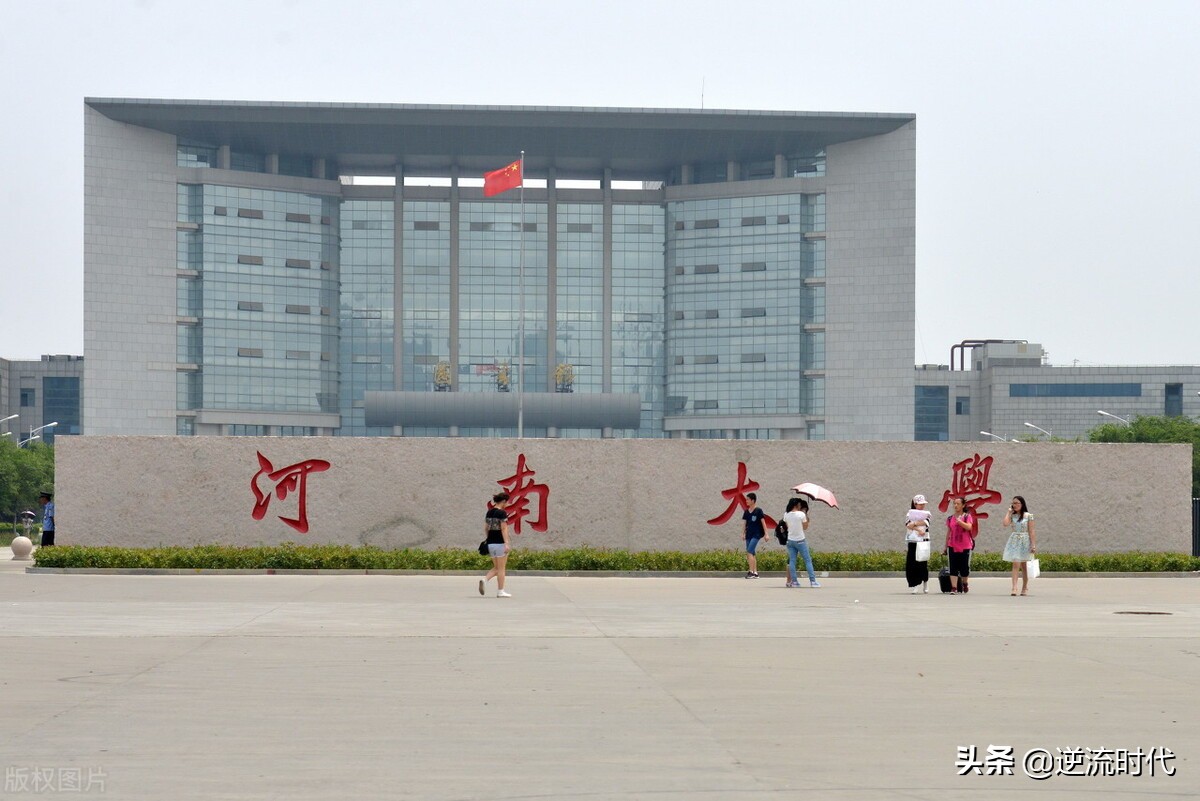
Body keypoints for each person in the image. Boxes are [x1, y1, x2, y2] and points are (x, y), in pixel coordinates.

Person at [478, 492, 512, 598]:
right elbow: (504, 528)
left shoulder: (489, 512)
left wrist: (489, 539)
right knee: (501, 568)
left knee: (497, 567)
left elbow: (486, 528)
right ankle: (500, 591)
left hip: (491, 544)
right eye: (507, 502)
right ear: (503, 501)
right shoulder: (502, 513)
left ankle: (485, 580)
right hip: (500, 543)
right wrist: (506, 543)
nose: (507, 504)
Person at [1002, 495, 1037, 596]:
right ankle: (1014, 587)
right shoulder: (1012, 515)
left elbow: (1031, 531)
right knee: (1015, 563)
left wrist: (1033, 545)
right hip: (1014, 541)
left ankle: (1025, 587)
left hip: (1025, 541)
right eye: (1013, 503)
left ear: (1022, 504)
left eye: (1017, 503)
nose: (1015, 505)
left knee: (1024, 565)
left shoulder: (1028, 516)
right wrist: (1008, 512)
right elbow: (1005, 524)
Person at [783, 497, 820, 588]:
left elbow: (788, 526)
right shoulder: (801, 514)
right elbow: (805, 527)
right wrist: (805, 516)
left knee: (792, 561)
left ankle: (794, 582)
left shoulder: (786, 514)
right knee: (807, 560)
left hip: (790, 540)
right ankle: (813, 581)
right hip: (800, 540)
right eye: (799, 504)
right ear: (796, 505)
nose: (800, 506)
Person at [942, 497, 975, 594]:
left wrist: (960, 522)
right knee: (953, 567)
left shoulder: (967, 516)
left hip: (965, 546)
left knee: (964, 568)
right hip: (952, 545)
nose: (955, 505)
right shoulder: (950, 518)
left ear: (963, 505)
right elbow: (948, 532)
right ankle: (954, 588)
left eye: (958, 504)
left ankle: (965, 583)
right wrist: (945, 546)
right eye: (954, 504)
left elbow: (969, 527)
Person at [905, 495, 931, 594]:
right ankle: (915, 584)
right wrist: (917, 528)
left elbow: (926, 522)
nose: (922, 506)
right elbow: (908, 524)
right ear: (915, 504)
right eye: (920, 504)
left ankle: (925, 582)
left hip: (923, 540)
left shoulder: (927, 514)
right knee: (912, 563)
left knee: (922, 563)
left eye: (923, 504)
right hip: (913, 540)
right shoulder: (909, 513)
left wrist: (915, 523)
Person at [742, 492, 767, 579]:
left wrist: (766, 534)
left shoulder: (758, 511)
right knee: (752, 553)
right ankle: (755, 572)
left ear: (753, 500)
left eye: (748, 499)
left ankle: (751, 572)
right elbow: (744, 524)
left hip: (756, 534)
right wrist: (743, 533)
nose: (746, 501)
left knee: (749, 551)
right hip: (748, 534)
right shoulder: (746, 512)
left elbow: (763, 523)